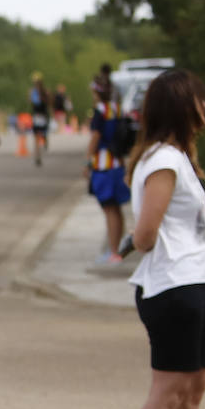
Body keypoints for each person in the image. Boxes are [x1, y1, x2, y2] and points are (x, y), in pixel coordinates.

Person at [125, 68, 205, 409]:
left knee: (194, 388)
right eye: (199, 98)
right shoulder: (162, 160)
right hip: (172, 287)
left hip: (195, 282)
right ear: (183, 106)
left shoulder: (179, 158)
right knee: (168, 390)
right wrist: (136, 238)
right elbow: (145, 234)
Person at [86, 66, 131, 263]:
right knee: (117, 210)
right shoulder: (118, 109)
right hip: (118, 162)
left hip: (104, 165)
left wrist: (88, 160)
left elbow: (96, 137)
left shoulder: (100, 111)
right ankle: (117, 248)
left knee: (109, 210)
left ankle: (113, 252)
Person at [29, 72, 50, 165]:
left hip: (43, 115)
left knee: (42, 135)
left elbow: (48, 102)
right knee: (37, 137)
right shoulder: (32, 92)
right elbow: (31, 102)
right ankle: (38, 156)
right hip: (37, 116)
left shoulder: (45, 91)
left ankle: (45, 140)